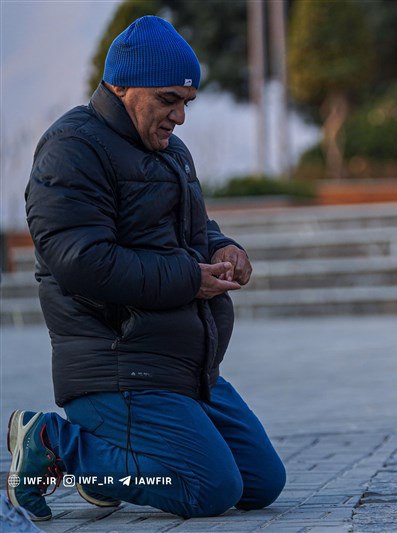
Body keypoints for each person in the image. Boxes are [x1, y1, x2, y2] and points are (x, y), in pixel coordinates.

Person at [8, 16, 286, 521]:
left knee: (264, 484)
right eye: (167, 100)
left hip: (183, 367)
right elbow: (80, 260)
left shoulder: (169, 151)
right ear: (121, 86)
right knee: (208, 489)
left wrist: (225, 249)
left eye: (186, 103)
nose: (180, 117)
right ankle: (57, 443)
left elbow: (192, 232)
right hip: (120, 367)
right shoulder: (72, 148)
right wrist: (189, 277)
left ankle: (114, 470)